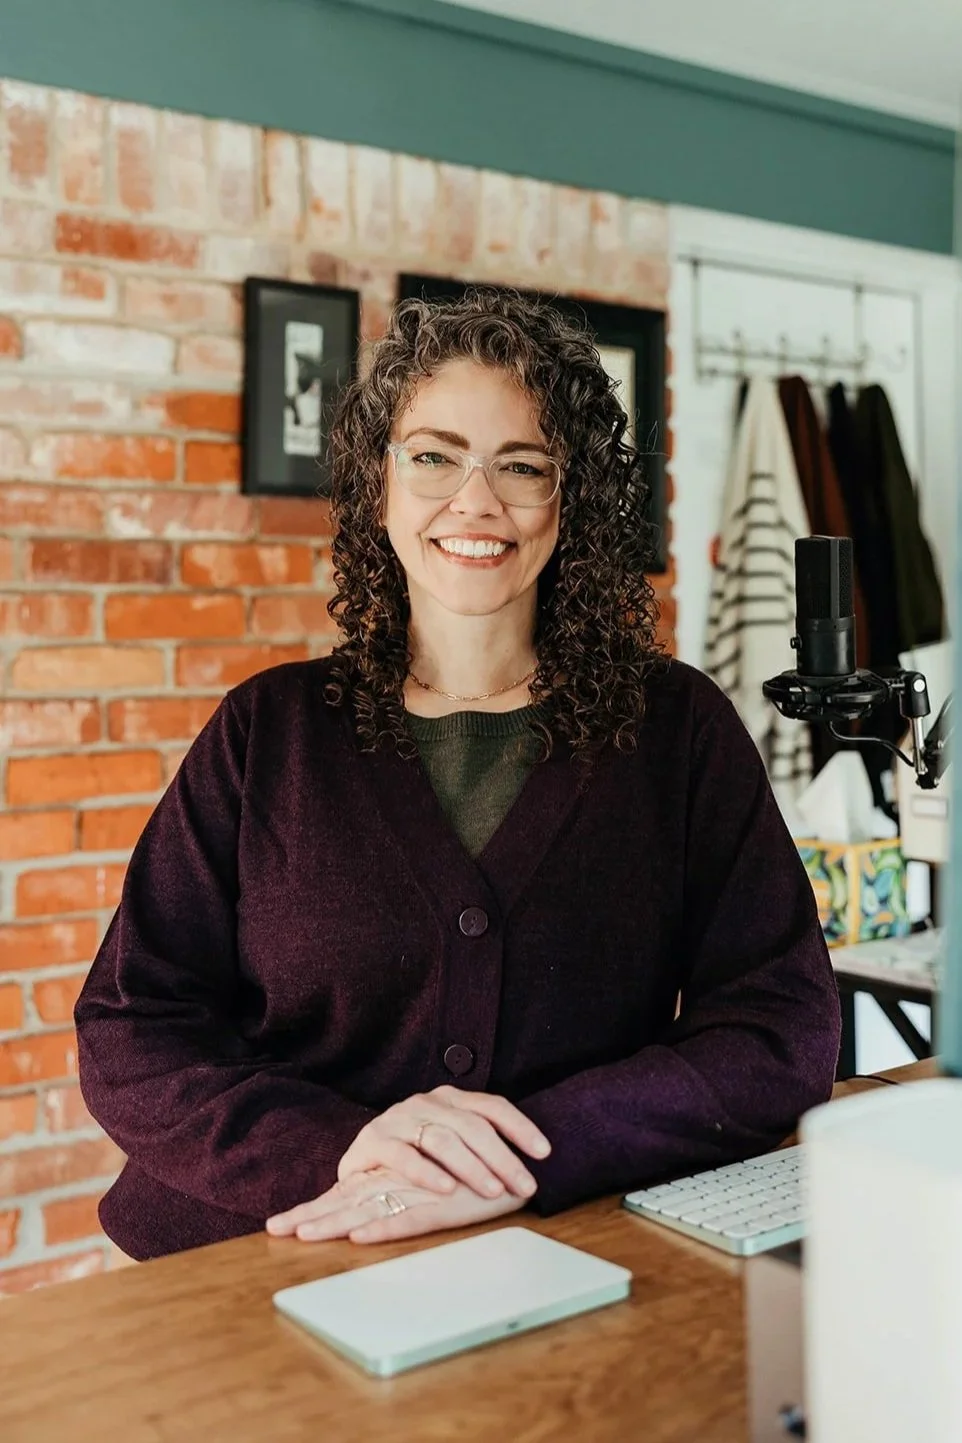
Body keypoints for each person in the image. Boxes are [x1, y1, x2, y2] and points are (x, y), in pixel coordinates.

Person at [74, 289, 841, 1261]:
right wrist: (345, 1148)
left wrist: (525, 1153)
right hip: (261, 1250)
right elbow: (132, 1025)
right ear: (379, 482)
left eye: (521, 465)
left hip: (559, 1254)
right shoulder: (268, 730)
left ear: (570, 499)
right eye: (434, 456)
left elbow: (778, 1030)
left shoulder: (676, 730)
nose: (474, 502)